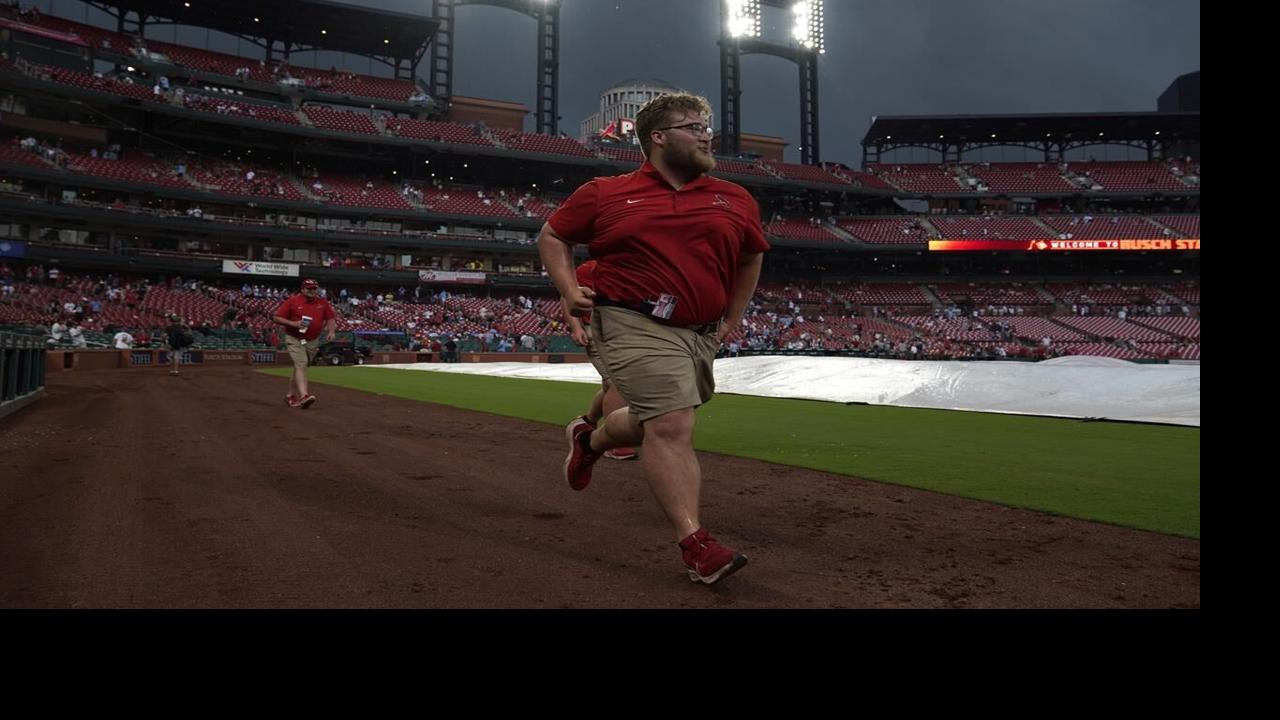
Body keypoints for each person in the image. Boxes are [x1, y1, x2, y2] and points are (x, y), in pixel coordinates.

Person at [538, 92, 768, 585]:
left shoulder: (736, 197)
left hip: (700, 333)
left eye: (709, 127)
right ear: (658, 138)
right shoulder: (605, 192)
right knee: (672, 424)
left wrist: (731, 317)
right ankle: (696, 545)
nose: (708, 134)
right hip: (631, 322)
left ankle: (591, 439)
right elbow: (553, 235)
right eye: (695, 126)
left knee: (650, 422)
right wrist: (568, 289)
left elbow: (751, 256)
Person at [564, 260, 636, 461]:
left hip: (623, 333)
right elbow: (568, 296)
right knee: (617, 383)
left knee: (610, 385)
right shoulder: (589, 269)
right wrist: (576, 328)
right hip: (596, 332)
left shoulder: (633, 269)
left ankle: (586, 422)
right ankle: (614, 442)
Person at [272, 278, 336, 408]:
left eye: (314, 288)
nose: (312, 291)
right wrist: (293, 323)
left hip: (312, 340)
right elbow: (276, 317)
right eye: (309, 288)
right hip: (294, 337)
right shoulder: (293, 301)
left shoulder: (322, 303)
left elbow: (330, 318)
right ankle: (304, 396)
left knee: (300, 367)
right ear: (302, 289)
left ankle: (290, 395)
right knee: (301, 364)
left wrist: (331, 331)